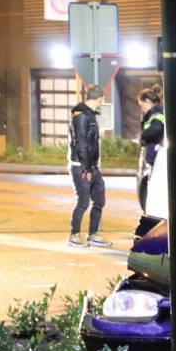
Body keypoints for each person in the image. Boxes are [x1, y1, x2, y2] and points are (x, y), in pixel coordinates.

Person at [67, 84, 110, 247]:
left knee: (99, 199)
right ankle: (74, 235)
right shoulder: (81, 116)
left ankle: (93, 234)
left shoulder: (89, 114)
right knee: (83, 201)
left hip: (91, 165)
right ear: (100, 98)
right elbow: (81, 144)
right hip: (81, 165)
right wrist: (86, 168)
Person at [137, 84, 165, 211]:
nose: (141, 108)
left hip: (156, 158)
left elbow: (157, 128)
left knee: (154, 192)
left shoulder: (157, 112)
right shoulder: (154, 113)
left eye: (141, 104)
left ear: (147, 101)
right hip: (153, 157)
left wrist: (141, 136)